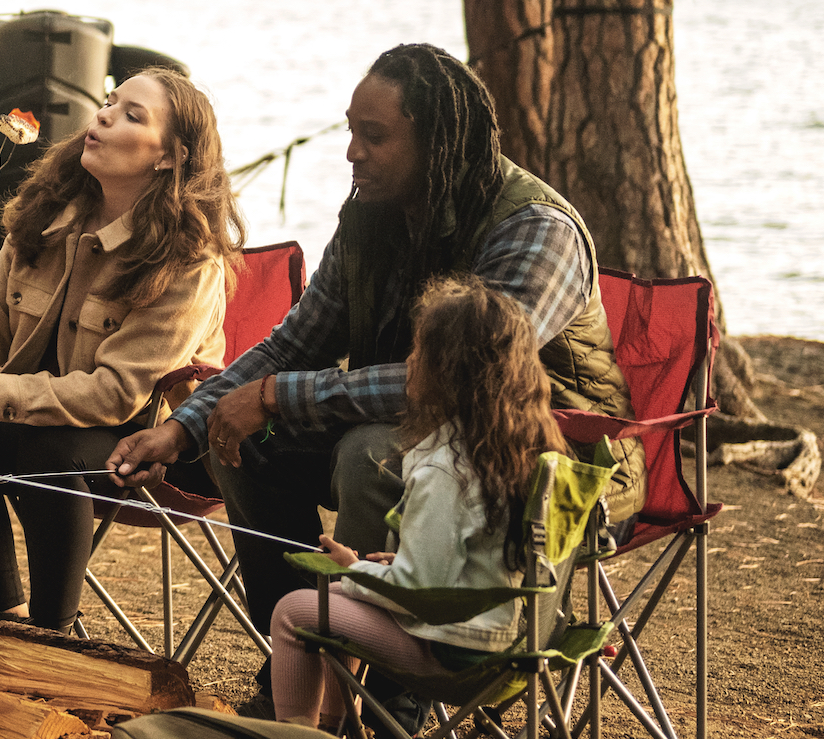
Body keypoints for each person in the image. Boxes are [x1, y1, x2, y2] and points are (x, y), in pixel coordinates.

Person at [105, 42, 639, 696]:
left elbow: (469, 380)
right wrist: (185, 426)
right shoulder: (370, 214)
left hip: (545, 459)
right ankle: (300, 656)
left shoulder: (534, 229)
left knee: (370, 455)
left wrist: (277, 396)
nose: (352, 151)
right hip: (423, 434)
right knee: (249, 439)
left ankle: (380, 697)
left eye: (375, 136)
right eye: (353, 131)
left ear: (439, 140)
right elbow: (295, 341)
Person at [0, 69, 242, 626]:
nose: (104, 115)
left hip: (151, 446)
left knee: (50, 455)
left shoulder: (188, 259)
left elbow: (116, 395)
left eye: (133, 115)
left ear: (170, 156)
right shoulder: (42, 222)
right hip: (40, 420)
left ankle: (52, 632)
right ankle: (6, 615)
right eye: (109, 102)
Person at [269, 276, 566, 729]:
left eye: (417, 353)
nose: (408, 363)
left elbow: (416, 595)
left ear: (447, 372)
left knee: (296, 611)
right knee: (343, 603)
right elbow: (472, 562)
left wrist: (354, 571)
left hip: (455, 653)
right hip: (516, 640)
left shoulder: (447, 468)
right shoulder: (523, 452)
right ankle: (333, 736)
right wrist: (391, 568)